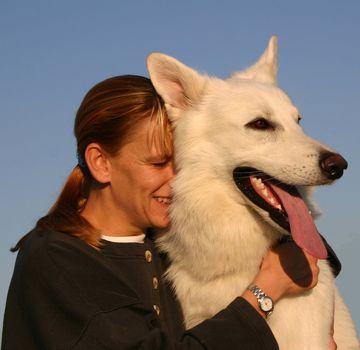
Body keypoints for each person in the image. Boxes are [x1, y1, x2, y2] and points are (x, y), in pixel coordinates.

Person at [2, 75, 340, 349]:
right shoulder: (58, 260)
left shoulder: (163, 244)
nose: (177, 180)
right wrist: (266, 290)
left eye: (180, 163)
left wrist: (302, 246)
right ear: (101, 163)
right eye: (158, 163)